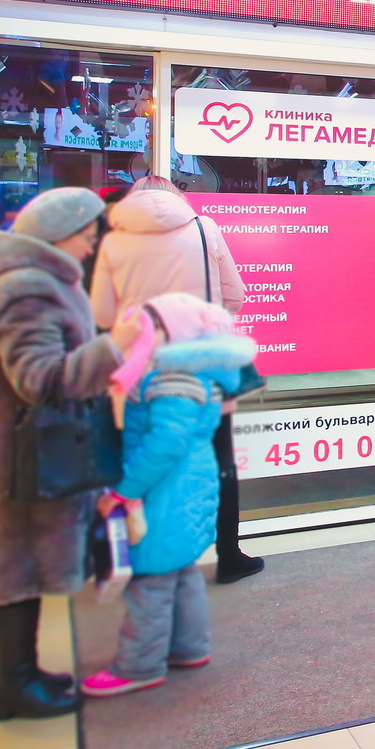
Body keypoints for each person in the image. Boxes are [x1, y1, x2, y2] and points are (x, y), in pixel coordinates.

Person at [0, 186, 144, 721]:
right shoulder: (27, 288)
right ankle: (15, 683)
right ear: (59, 235)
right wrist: (115, 344)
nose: (92, 244)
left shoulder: (28, 281)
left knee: (10, 564)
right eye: (87, 234)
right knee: (14, 564)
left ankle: (9, 676)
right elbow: (39, 380)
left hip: (11, 448)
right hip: (12, 455)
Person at [82, 293, 256, 698]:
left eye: (148, 325)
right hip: (188, 485)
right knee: (180, 571)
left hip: (165, 492)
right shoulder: (197, 374)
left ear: (170, 333)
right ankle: (189, 646)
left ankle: (138, 665)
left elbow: (164, 445)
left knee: (150, 582)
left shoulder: (172, 380)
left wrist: (124, 490)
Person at [91, 175, 261, 583]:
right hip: (202, 366)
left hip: (140, 371)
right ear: (179, 198)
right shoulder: (204, 228)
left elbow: (101, 314)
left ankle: (138, 557)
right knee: (220, 460)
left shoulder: (114, 240)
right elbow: (235, 296)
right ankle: (228, 555)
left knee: (141, 455)